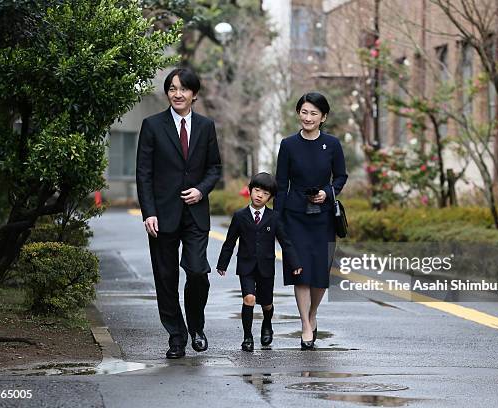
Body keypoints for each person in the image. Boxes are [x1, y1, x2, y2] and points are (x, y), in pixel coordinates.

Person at [136, 67, 222, 359]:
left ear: (194, 94)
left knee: (197, 271)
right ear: (167, 92)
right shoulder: (152, 125)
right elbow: (143, 173)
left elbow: (214, 168)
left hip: (196, 213)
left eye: (183, 89)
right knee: (166, 277)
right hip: (162, 214)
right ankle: (176, 336)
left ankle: (196, 325)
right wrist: (148, 212)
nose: (178, 94)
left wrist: (201, 190)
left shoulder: (206, 126)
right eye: (172, 88)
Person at [274, 92, 348, 350]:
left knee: (320, 275)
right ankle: (305, 323)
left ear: (323, 117)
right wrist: (277, 218)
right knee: (301, 273)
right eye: (304, 112)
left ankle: (312, 313)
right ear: (298, 114)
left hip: (324, 217)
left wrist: (327, 193)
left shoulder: (333, 144)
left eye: (314, 113)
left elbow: (340, 177)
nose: (308, 117)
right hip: (295, 216)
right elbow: (281, 184)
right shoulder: (288, 145)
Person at [216, 173, 302, 352]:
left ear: (270, 198)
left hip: (266, 266)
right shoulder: (240, 216)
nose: (259, 195)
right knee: (249, 298)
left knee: (266, 302)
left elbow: (285, 242)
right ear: (250, 191)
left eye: (265, 193)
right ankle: (247, 337)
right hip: (246, 266)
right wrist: (222, 264)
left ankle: (267, 323)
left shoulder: (274, 217)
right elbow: (230, 241)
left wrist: (295, 264)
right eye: (256, 190)